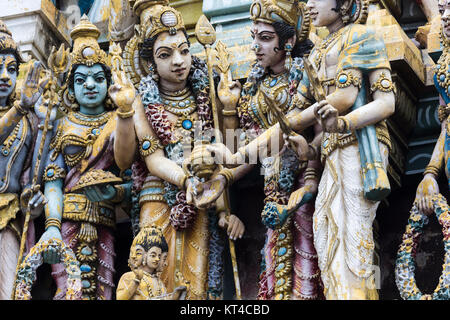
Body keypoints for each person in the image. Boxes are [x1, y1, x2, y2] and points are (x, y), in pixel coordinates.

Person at [209, 0, 396, 300]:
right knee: (328, 245)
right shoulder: (318, 54)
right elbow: (292, 122)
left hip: (358, 152)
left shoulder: (363, 37)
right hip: (331, 156)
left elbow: (381, 103)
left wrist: (343, 123)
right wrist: (239, 156)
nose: (309, 3)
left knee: (351, 246)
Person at [115, 0, 245, 299]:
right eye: (166, 54)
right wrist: (187, 180)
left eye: (184, 50)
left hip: (202, 197)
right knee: (154, 275)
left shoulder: (207, 91)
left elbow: (229, 151)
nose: (179, 60)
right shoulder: (141, 99)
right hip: (159, 196)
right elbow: (154, 160)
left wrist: (227, 108)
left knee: (195, 280)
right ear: (150, 63)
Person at [214, 0, 323, 300]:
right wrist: (224, 178)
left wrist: (308, 155)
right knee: (276, 275)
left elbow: (313, 135)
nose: (255, 47)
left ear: (288, 41)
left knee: (307, 270)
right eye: (253, 37)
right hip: (271, 194)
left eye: (265, 38)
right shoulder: (255, 87)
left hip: (305, 186)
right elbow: (246, 150)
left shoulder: (305, 76)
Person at [36, 16, 132, 300]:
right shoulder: (63, 125)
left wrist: (114, 192)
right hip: (66, 220)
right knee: (67, 291)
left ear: (109, 84)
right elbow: (52, 180)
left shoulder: (119, 122)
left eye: (98, 78)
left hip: (106, 219)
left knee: (102, 288)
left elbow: (130, 177)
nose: (90, 85)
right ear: (70, 88)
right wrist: (52, 227)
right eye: (81, 79)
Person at [0, 20, 48, 300]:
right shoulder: (20, 112)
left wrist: (45, 119)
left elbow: (33, 173)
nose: (5, 75)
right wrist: (21, 108)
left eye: (11, 69)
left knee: (9, 291)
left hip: (8, 214)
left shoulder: (27, 119)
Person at [116, 225, 186, 300]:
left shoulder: (159, 281)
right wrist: (136, 281)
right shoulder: (129, 276)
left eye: (159, 256)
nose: (157, 259)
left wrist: (178, 293)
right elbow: (120, 298)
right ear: (142, 254)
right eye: (153, 255)